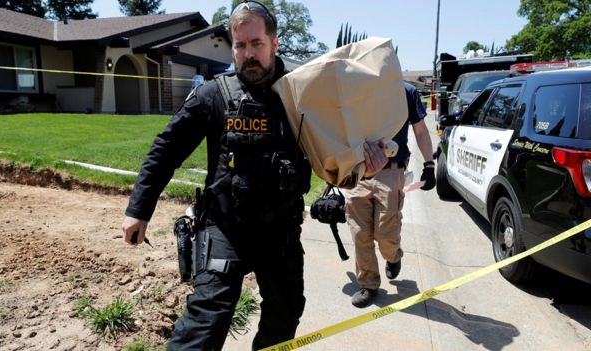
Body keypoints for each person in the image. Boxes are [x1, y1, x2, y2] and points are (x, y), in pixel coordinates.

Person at [120, 1, 389, 349]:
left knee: (286, 312)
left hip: (281, 232)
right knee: (204, 324)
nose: (248, 53)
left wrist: (363, 168)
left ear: (274, 43)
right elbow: (166, 148)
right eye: (240, 45)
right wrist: (139, 209)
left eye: (256, 43)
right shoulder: (212, 95)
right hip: (225, 228)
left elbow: (334, 159)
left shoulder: (302, 96)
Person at [345, 82, 436, 308]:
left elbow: (421, 130)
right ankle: (369, 284)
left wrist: (429, 165)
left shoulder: (406, 92)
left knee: (386, 232)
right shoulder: (354, 89)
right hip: (358, 170)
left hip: (391, 171)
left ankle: (393, 255)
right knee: (360, 233)